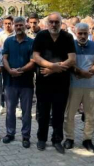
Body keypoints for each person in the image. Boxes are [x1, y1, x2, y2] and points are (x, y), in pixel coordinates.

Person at [33, 12, 76, 154]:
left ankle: (57, 140)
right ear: (47, 23)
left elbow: (72, 59)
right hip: (43, 82)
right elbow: (36, 57)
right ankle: (41, 138)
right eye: (51, 22)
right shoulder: (41, 36)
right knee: (43, 112)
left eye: (56, 22)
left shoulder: (67, 37)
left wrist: (54, 69)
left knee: (58, 113)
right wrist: (53, 66)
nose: (53, 24)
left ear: (60, 23)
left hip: (61, 83)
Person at [63, 23, 94, 152]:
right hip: (74, 85)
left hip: (91, 86)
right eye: (80, 33)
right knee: (70, 113)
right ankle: (69, 138)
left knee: (91, 114)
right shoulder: (69, 45)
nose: (83, 36)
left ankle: (87, 139)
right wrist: (80, 72)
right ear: (75, 32)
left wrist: (89, 72)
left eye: (85, 33)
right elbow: (68, 64)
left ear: (88, 32)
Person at [2, 17, 35, 148]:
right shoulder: (8, 41)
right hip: (10, 82)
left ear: (25, 26)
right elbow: (4, 58)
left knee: (26, 112)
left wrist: (20, 70)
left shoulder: (31, 42)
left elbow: (33, 61)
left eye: (21, 25)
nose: (19, 27)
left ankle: (26, 136)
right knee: (10, 110)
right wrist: (10, 70)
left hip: (26, 82)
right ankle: (10, 133)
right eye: (17, 25)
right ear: (14, 26)